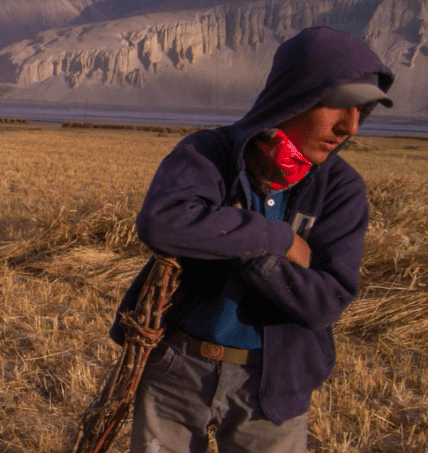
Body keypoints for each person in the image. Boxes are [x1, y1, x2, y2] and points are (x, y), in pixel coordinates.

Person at [110, 26, 394, 452]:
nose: (350, 127)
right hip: (175, 369)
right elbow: (162, 223)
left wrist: (240, 247)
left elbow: (323, 302)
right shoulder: (211, 153)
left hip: (274, 386)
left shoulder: (341, 189)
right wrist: (274, 237)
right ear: (297, 95)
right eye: (342, 105)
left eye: (364, 110)